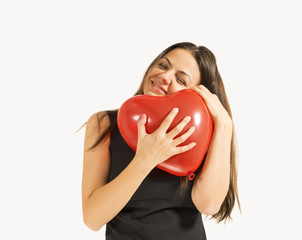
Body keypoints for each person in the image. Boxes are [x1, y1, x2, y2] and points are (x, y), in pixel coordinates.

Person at [79, 42, 241, 239]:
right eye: (163, 65)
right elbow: (92, 219)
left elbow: (208, 205)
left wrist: (224, 126)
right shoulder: (103, 124)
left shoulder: (199, 136)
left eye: (181, 79)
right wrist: (145, 159)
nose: (164, 76)